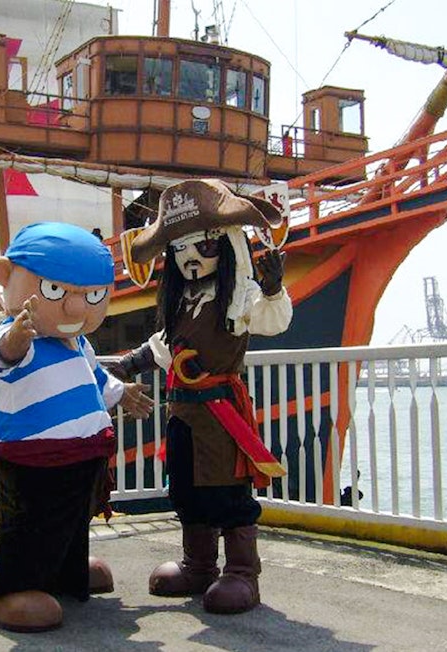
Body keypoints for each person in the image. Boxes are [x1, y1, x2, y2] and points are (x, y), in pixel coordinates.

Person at [110, 178, 291, 614]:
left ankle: (243, 573)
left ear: (227, 246)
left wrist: (272, 290)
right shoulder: (181, 301)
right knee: (187, 487)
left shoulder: (237, 296)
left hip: (221, 412)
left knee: (229, 491)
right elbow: (164, 345)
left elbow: (274, 321)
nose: (190, 259)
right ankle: (199, 565)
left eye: (203, 247)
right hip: (184, 414)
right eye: (180, 250)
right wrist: (129, 364)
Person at [0, 222, 154, 633]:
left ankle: (65, 572)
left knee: (72, 520)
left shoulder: (77, 343)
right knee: (29, 520)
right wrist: (18, 338)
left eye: (93, 296)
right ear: (5, 277)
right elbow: (3, 360)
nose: (78, 309)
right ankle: (8, 591)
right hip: (32, 457)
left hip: (82, 453)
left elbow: (96, 377)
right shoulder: (10, 333)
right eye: (57, 292)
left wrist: (122, 392)